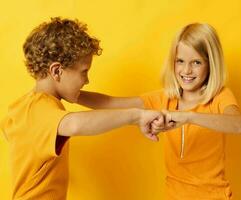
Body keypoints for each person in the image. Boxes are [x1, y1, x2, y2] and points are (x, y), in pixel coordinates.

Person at [0, 17, 166, 199]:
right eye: (84, 72)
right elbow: (74, 124)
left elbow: (103, 102)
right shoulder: (39, 109)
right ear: (56, 71)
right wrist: (136, 117)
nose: (87, 80)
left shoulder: (25, 106)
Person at [76, 23, 241, 199]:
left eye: (196, 62)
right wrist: (72, 94)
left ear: (211, 64)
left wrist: (188, 117)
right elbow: (109, 102)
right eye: (180, 61)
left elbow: (239, 124)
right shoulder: (165, 99)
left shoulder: (220, 97)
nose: (187, 70)